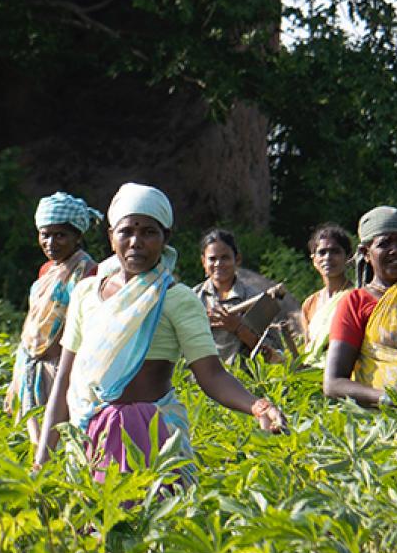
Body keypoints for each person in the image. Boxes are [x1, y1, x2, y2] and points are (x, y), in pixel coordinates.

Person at [33, 183, 285, 479]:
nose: (136, 242)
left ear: (166, 238)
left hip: (153, 435)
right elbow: (64, 381)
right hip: (90, 433)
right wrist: (42, 461)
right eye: (126, 231)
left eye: (149, 232)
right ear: (111, 237)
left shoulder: (177, 299)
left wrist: (258, 406)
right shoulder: (85, 294)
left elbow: (212, 375)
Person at [5, 192, 102, 444]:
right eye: (45, 235)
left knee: (63, 441)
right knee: (36, 444)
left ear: (78, 236)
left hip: (64, 370)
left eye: (60, 235)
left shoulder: (90, 272)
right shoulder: (46, 271)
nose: (51, 242)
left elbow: (87, 328)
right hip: (34, 366)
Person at [324, 206, 397, 405]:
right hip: (385, 416)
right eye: (385, 243)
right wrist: (391, 400)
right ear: (366, 253)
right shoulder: (356, 303)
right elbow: (333, 383)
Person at [193, 229, 264, 365]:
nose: (218, 264)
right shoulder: (192, 298)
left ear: (237, 259)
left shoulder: (254, 298)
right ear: (203, 261)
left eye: (225, 257)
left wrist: (238, 328)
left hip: (241, 376)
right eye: (212, 259)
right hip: (199, 377)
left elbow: (272, 352)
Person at [301, 224, 353, 368]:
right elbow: (308, 348)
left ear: (348, 257)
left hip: (343, 373)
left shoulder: (356, 297)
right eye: (322, 252)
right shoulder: (310, 303)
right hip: (310, 374)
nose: (328, 258)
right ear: (314, 259)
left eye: (335, 251)